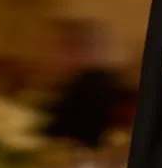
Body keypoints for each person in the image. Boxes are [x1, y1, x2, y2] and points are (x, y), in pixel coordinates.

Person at [44, 18, 126, 150]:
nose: (51, 56)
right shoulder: (81, 81)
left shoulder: (92, 86)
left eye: (58, 48)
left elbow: (72, 129)